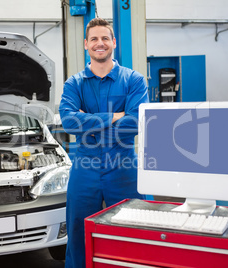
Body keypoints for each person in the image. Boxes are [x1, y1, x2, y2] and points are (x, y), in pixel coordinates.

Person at [59, 18, 149, 268]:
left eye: (105, 38)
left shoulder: (134, 80)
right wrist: (113, 116)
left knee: (133, 226)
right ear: (85, 44)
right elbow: (69, 123)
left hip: (123, 165)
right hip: (85, 166)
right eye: (95, 39)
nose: (101, 43)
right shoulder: (74, 84)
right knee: (77, 229)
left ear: (114, 43)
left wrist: (88, 122)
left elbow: (135, 122)